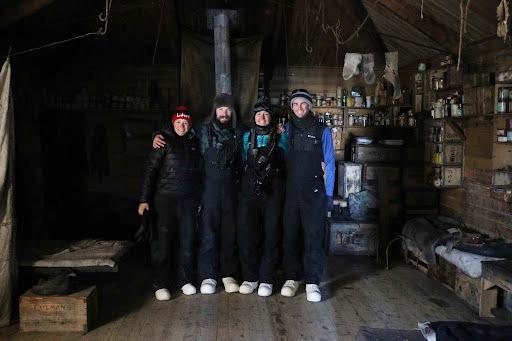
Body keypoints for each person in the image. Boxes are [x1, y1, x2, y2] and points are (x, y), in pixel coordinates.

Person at [152, 94, 243, 294]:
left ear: (233, 112)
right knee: (208, 234)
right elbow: (178, 130)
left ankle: (228, 275)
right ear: (215, 111)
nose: (224, 113)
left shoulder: (240, 132)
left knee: (230, 234)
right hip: (208, 191)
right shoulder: (202, 130)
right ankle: (207, 276)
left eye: (228, 109)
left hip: (231, 192)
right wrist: (158, 134)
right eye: (220, 109)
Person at [138, 106, 202, 301]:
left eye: (185, 123)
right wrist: (144, 200)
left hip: (189, 200)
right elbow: (150, 172)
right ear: (172, 123)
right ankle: (161, 283)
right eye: (178, 122)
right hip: (164, 200)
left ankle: (184, 280)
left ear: (190, 124)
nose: (181, 126)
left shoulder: (196, 141)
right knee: (163, 243)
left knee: (187, 241)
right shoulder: (163, 141)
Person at [280, 89, 335, 302]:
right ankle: (292, 278)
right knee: (291, 235)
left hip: (314, 192)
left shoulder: (323, 130)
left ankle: (313, 281)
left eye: (303, 104)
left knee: (313, 237)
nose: (299, 108)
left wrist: (329, 194)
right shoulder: (287, 129)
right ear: (292, 107)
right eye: (295, 105)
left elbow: (329, 163)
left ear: (310, 106)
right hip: (291, 192)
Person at [237, 97, 287, 297]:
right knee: (249, 234)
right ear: (254, 117)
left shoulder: (281, 135)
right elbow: (242, 160)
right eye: (259, 114)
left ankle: (266, 278)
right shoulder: (246, 137)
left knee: (271, 233)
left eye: (266, 114)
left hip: (273, 190)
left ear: (271, 117)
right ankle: (251, 277)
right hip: (250, 191)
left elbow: (288, 159)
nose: (262, 117)